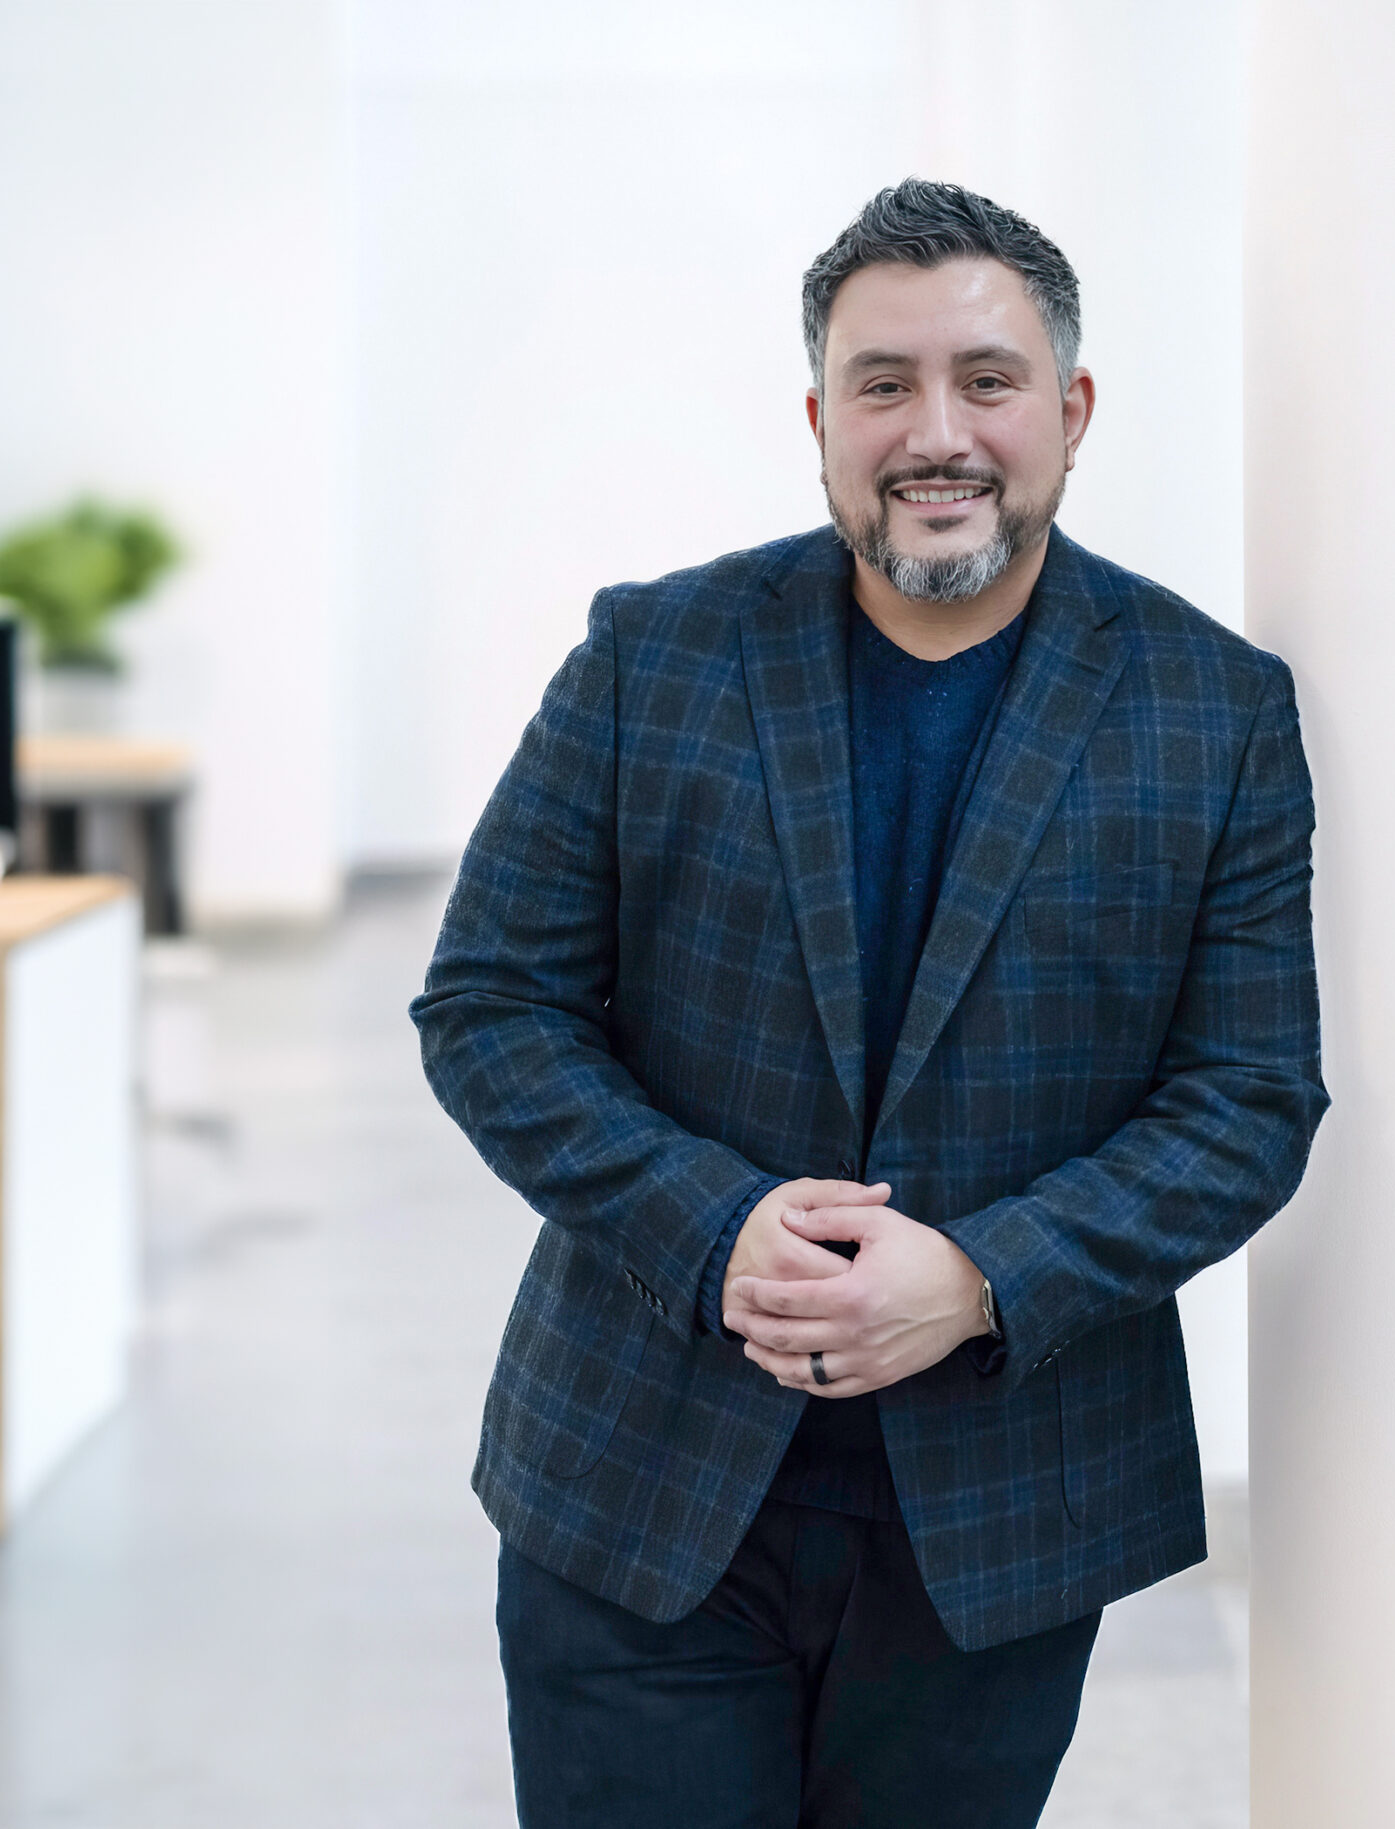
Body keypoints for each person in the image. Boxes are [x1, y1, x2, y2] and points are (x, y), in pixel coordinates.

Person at [410, 177, 1326, 1827]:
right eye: (884, 384)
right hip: (639, 1484)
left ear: (1072, 409)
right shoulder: (656, 654)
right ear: (822, 417)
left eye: (987, 379)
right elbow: (490, 1001)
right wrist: (711, 1227)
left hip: (1004, 1508)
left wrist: (983, 1279)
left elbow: (1248, 1101)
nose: (938, 432)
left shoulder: (1216, 712)